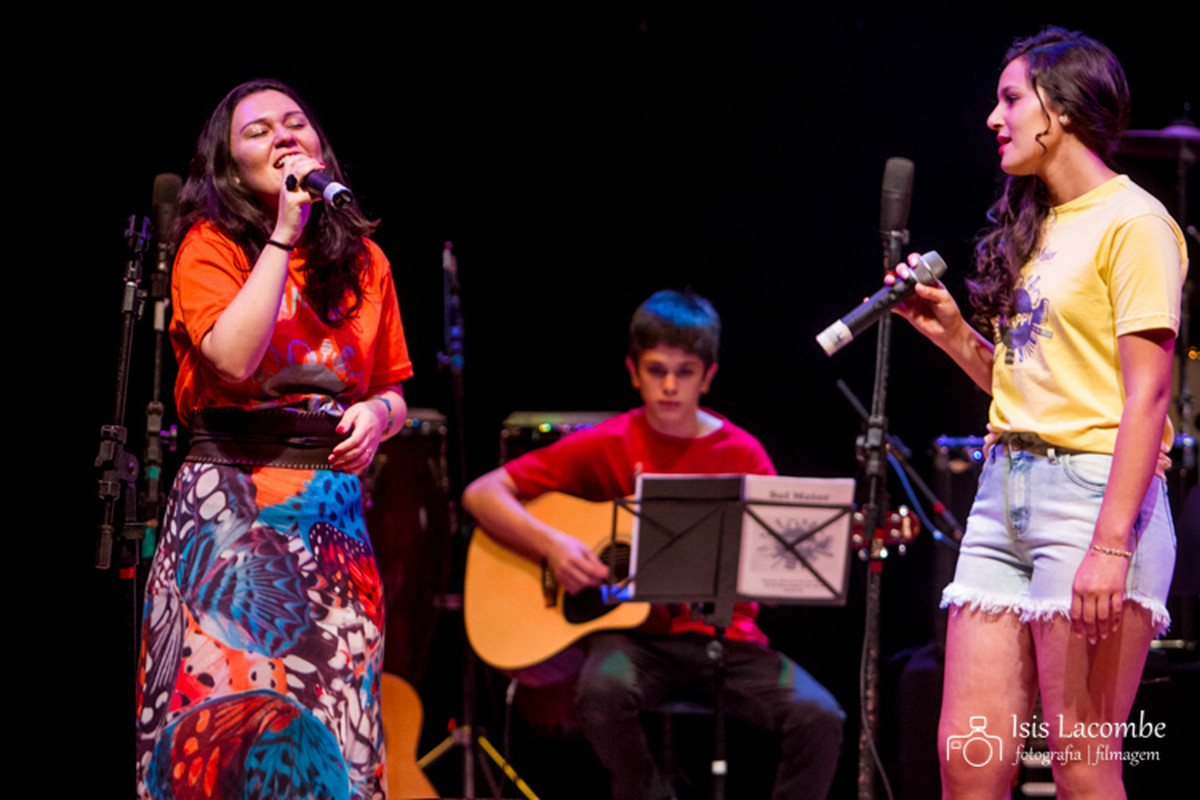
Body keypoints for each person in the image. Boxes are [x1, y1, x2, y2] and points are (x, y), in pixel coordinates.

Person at [891, 29, 1186, 798]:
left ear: (1059, 108)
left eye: (1011, 98)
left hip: (1093, 504)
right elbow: (1034, 389)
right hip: (1002, 498)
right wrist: (956, 334)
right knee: (969, 755)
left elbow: (1149, 396)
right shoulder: (1040, 225)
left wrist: (1111, 548)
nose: (995, 117)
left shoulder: (1136, 223)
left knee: (1082, 766)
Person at [135, 79, 412, 800]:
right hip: (231, 505)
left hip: (331, 518)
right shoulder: (208, 246)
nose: (285, 136)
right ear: (229, 167)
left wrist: (380, 418)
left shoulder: (366, 262)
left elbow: (391, 389)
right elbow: (231, 358)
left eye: (297, 124)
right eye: (258, 131)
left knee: (335, 716)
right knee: (225, 726)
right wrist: (284, 233)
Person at [463, 290, 845, 800]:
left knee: (820, 717)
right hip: (636, 641)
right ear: (632, 371)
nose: (669, 385)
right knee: (602, 691)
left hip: (726, 641)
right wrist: (553, 545)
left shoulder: (742, 452)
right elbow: (481, 493)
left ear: (708, 376)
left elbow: (771, 576)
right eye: (655, 369)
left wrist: (769, 573)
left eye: (685, 371)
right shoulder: (609, 440)